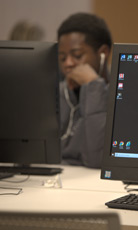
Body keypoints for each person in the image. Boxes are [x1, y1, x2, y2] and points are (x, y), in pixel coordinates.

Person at [57, 13, 112, 168]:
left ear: (103, 53)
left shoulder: (120, 95)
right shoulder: (62, 93)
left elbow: (97, 160)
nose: (68, 63)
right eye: (62, 58)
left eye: (77, 55)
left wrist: (94, 85)